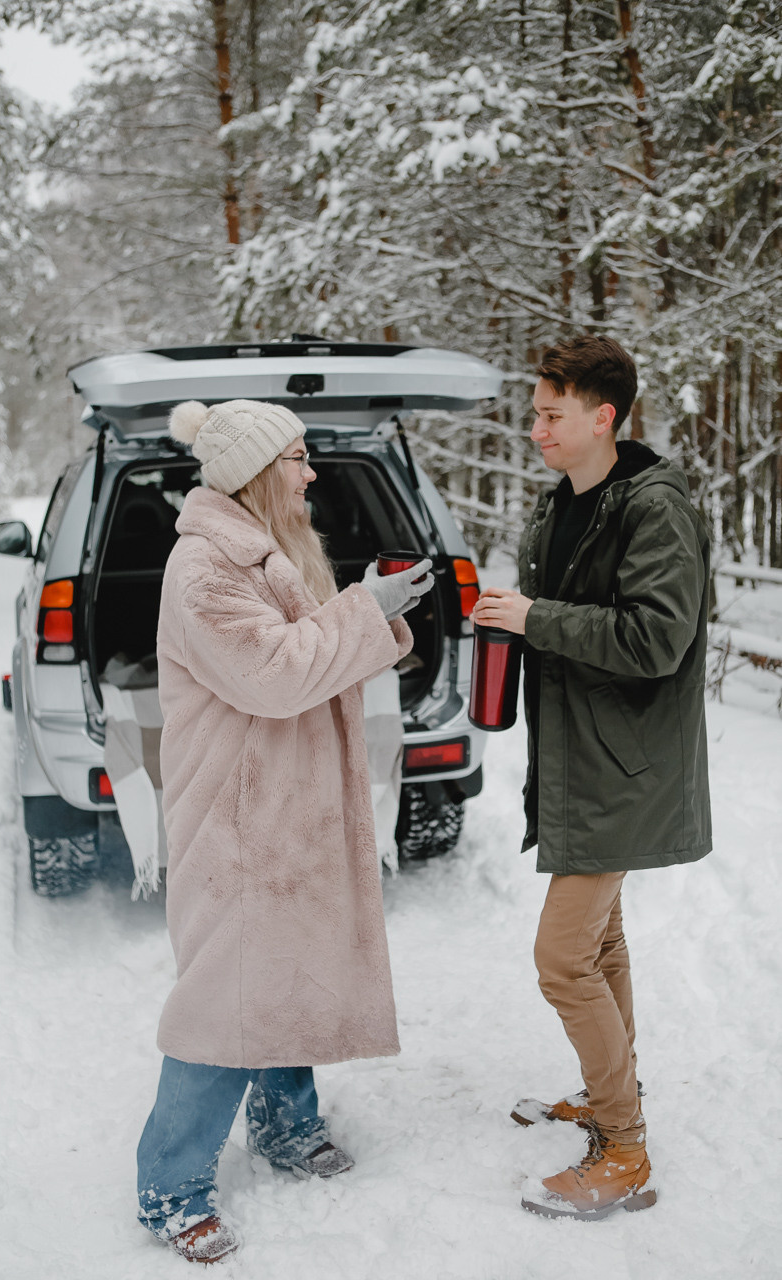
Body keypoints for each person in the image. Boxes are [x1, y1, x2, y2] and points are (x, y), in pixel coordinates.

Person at [136, 397, 433, 1263]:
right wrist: (364, 610)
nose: (310, 474)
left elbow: (306, 642)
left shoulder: (263, 551)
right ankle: (172, 1185)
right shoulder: (205, 570)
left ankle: (285, 1125)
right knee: (225, 997)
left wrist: (369, 608)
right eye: (297, 459)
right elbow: (272, 674)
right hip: (236, 817)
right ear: (258, 473)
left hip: (281, 805)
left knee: (286, 967)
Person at [471, 335, 712, 1221]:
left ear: (602, 416)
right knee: (600, 946)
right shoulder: (562, 503)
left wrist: (537, 616)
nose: (534, 428)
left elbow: (656, 639)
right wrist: (517, 619)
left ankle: (625, 1148)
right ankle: (610, 1094)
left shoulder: (651, 510)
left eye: (549, 414)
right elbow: (572, 620)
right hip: (580, 757)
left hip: (625, 765)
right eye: (534, 412)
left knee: (561, 958)